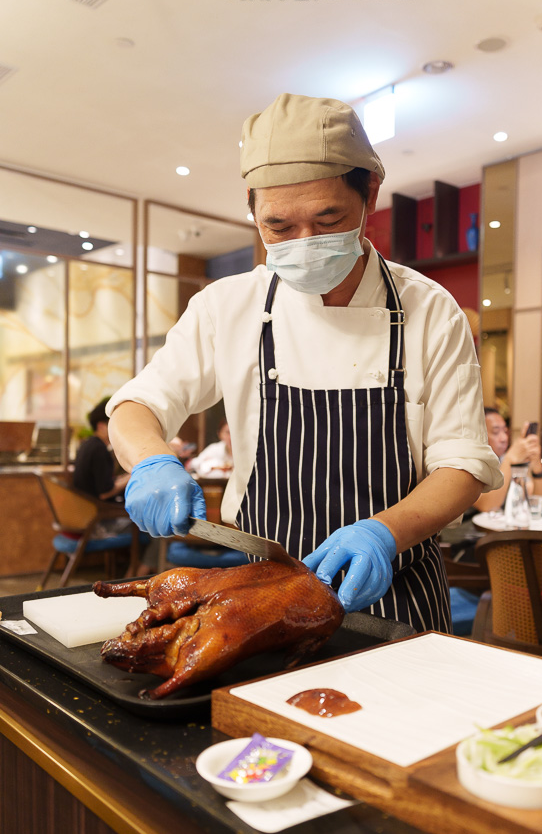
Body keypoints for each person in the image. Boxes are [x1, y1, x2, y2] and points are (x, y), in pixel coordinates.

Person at [106, 93, 502, 631]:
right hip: (264, 595)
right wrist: (151, 460)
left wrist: (382, 534)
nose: (305, 243)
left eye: (327, 218)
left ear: (370, 195)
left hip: (397, 595)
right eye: (279, 227)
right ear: (253, 212)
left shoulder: (431, 311)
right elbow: (137, 405)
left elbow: (462, 465)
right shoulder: (228, 307)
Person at [474, 408, 542, 513]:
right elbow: (488, 507)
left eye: (505, 431)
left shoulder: (503, 460)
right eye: (496, 432)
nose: (504, 438)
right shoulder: (472, 463)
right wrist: (510, 459)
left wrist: (536, 464)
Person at [73, 400, 130, 501]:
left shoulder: (88, 444)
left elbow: (106, 482)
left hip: (85, 504)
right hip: (97, 508)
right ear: (101, 426)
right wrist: (134, 475)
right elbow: (105, 493)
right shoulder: (98, 449)